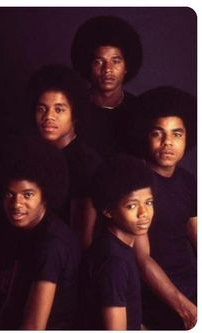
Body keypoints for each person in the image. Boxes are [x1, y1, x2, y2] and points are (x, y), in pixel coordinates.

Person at [0, 137, 81, 330]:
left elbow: (33, 327)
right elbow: (10, 306)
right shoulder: (32, 231)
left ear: (45, 196)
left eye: (27, 195)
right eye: (10, 194)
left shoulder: (51, 246)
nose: (16, 204)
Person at [134, 86, 197, 330]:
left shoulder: (187, 180)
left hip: (190, 287)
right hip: (155, 297)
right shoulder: (135, 183)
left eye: (176, 134)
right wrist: (185, 308)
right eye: (158, 134)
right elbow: (142, 259)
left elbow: (196, 235)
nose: (168, 143)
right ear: (145, 136)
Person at [27, 64, 101, 249]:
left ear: (74, 114)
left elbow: (82, 237)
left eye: (59, 109)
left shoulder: (86, 163)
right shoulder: (32, 155)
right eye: (42, 109)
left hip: (66, 262)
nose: (48, 117)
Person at [78, 154, 154, 330]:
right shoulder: (114, 262)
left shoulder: (116, 247)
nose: (144, 213)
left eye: (149, 202)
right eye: (132, 206)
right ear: (107, 210)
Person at [71, 15, 143, 158]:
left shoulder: (139, 110)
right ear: (89, 66)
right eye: (99, 62)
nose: (107, 69)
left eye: (115, 61)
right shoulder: (74, 108)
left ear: (126, 67)